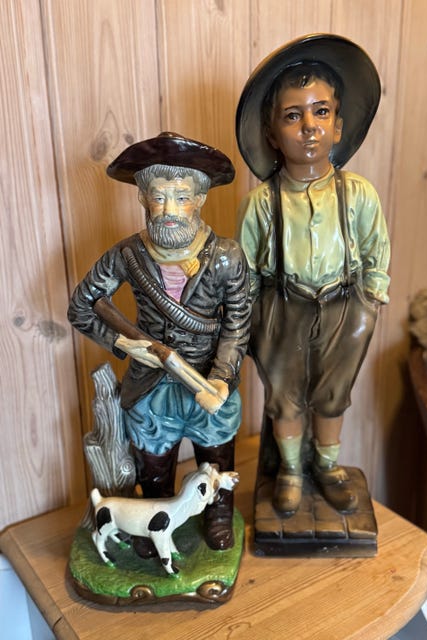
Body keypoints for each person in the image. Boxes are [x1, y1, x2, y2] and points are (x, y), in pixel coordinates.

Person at [68, 132, 251, 551]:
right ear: (143, 198)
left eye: (181, 198)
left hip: (205, 379)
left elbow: (238, 324)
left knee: (216, 455)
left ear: (199, 200)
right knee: (154, 462)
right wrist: (121, 343)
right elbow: (81, 307)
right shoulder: (127, 255)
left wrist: (221, 378)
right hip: (151, 386)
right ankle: (149, 519)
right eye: (159, 197)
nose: (169, 210)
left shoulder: (227, 257)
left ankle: (218, 514)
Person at [236, 35, 390, 516]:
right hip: (282, 309)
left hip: (345, 309)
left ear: (338, 126)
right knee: (285, 397)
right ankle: (289, 470)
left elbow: (376, 249)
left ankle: (326, 465)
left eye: (321, 112)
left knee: (332, 394)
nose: (308, 127)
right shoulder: (263, 203)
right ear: (272, 133)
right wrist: (248, 318)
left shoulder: (357, 193)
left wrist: (370, 299)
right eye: (292, 115)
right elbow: (244, 268)